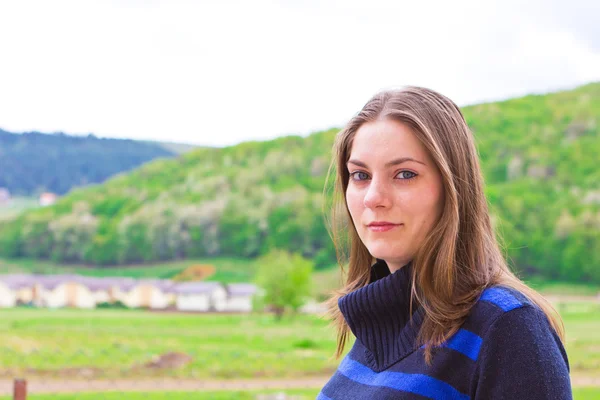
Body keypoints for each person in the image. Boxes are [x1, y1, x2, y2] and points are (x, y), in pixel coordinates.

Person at [317, 87, 572, 399]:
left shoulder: (506, 328)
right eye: (360, 175)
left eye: (405, 174)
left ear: (454, 188)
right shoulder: (378, 324)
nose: (373, 198)